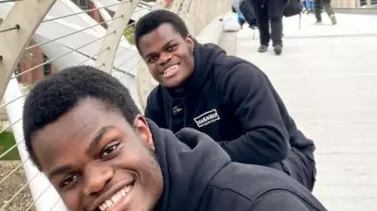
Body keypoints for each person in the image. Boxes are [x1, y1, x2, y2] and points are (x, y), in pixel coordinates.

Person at [22, 66, 368, 211]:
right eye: (69, 178)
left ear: (143, 133)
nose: (95, 182)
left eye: (109, 149)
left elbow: (271, 139)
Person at [136, 10, 317, 191]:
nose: (164, 59)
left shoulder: (236, 76)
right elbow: (158, 159)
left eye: (171, 48)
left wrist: (199, 157)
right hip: (219, 171)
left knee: (251, 186)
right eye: (153, 58)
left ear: (189, 43)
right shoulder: (157, 103)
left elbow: (273, 142)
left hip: (287, 160)